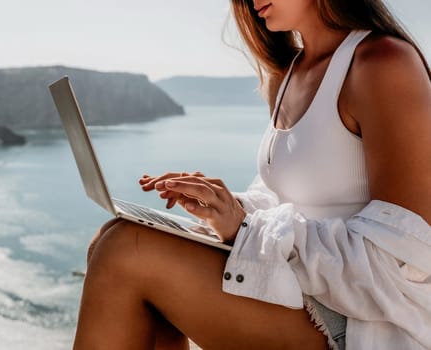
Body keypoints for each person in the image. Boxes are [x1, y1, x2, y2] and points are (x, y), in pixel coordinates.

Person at [73, 0, 431, 349]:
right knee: (112, 235)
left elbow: (404, 255)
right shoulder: (287, 76)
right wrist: (223, 207)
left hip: (365, 324)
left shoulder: (382, 62)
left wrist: (245, 227)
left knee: (125, 251)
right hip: (298, 288)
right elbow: (285, 199)